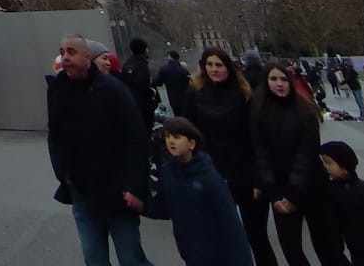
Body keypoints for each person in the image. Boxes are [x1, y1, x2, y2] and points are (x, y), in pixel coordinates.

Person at [47, 34, 156, 266]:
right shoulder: (57, 90)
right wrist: (63, 173)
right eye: (62, 51)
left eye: (71, 52)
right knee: (93, 258)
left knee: (131, 259)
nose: (65, 57)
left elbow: (136, 138)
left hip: (117, 192)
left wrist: (134, 187)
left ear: (88, 58)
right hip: (81, 191)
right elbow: (55, 134)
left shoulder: (114, 91)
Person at [179, 47, 277, 266]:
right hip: (211, 173)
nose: (214, 69)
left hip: (245, 172)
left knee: (257, 236)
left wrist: (258, 177)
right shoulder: (193, 94)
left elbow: (256, 137)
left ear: (229, 67)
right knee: (220, 237)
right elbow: (187, 132)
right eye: (209, 65)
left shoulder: (244, 94)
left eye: (219, 65)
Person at [250, 58, 347, 266]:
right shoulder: (258, 113)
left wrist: (292, 196)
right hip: (280, 190)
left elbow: (307, 155)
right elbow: (261, 154)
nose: (279, 83)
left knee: (328, 247)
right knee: (292, 250)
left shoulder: (305, 111)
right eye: (274, 79)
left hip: (311, 187)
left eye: (283, 79)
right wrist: (274, 194)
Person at [146, 115, 253, 266]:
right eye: (168, 136)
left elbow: (230, 223)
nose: (170, 141)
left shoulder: (208, 177)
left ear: (191, 143)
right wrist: (139, 203)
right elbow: (165, 207)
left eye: (177, 137)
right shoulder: (168, 173)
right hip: (190, 252)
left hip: (218, 255)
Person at [122, 38, 159, 130]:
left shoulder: (127, 64)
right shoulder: (142, 64)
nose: (148, 51)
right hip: (143, 105)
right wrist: (152, 92)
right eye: (147, 48)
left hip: (131, 104)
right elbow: (141, 82)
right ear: (143, 50)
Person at [156, 50, 191, 115]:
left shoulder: (163, 69)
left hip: (173, 99)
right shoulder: (183, 70)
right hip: (185, 98)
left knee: (177, 116)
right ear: (178, 58)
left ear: (169, 57)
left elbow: (158, 82)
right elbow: (189, 83)